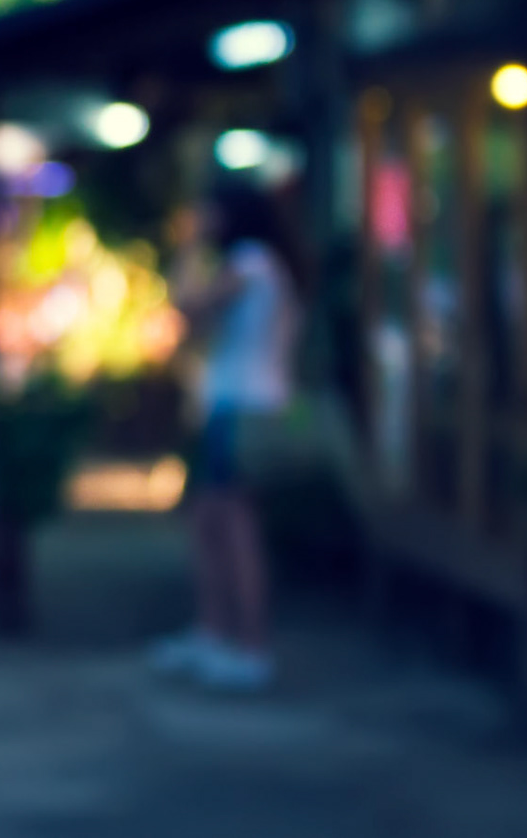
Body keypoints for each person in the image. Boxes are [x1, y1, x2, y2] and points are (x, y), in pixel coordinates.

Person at [150, 181, 300, 691]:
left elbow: (188, 310)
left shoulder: (252, 264)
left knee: (235, 527)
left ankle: (250, 645)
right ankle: (217, 633)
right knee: (211, 522)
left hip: (243, 410)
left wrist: (188, 247)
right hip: (231, 408)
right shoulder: (261, 266)